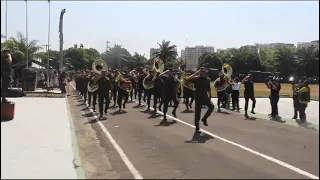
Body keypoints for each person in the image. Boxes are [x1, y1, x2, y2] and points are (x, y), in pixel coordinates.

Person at [186, 67, 214, 133]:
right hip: (198, 98)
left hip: (205, 97)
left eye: (204, 72)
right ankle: (197, 127)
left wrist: (210, 96)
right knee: (198, 113)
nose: (203, 73)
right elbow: (187, 79)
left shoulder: (207, 80)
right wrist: (196, 72)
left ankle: (204, 118)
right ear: (200, 72)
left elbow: (208, 89)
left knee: (212, 107)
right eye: (201, 71)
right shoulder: (196, 79)